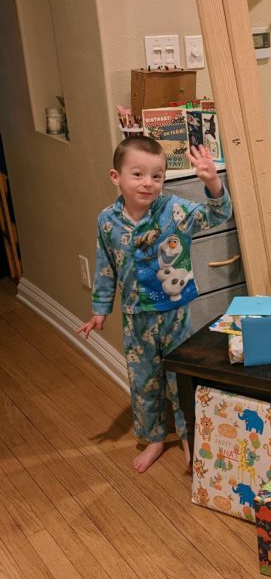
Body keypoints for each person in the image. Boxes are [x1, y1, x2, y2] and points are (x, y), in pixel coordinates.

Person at [78, 136, 232, 473]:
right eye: (138, 174)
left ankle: (190, 436)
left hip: (175, 316)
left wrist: (212, 182)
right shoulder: (107, 221)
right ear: (116, 177)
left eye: (157, 176)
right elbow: (105, 266)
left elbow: (218, 214)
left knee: (181, 379)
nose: (148, 183)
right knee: (143, 382)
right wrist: (100, 311)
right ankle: (155, 439)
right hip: (136, 319)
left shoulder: (174, 210)